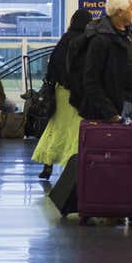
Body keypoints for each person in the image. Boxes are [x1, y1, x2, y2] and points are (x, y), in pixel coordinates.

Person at [32, 9, 92, 180]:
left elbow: (53, 66)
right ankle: (71, 166)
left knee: (56, 127)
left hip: (61, 92)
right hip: (79, 94)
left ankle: (47, 164)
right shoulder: (88, 41)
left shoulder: (65, 39)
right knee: (75, 130)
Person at [74, 0, 132, 123]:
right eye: (131, 9)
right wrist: (110, 113)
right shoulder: (100, 40)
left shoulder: (131, 36)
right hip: (115, 109)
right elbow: (91, 80)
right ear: (119, 12)